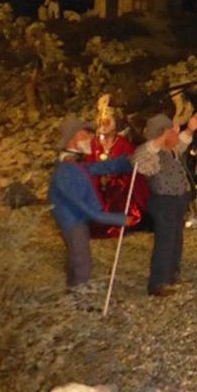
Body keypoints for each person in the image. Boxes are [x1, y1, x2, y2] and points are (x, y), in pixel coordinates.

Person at [48, 116, 138, 290]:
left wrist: (125, 161)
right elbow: (84, 207)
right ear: (73, 137)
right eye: (85, 134)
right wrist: (118, 219)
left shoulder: (73, 164)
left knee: (76, 255)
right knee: (82, 260)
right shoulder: (67, 169)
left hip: (73, 218)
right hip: (72, 220)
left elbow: (97, 168)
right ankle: (79, 295)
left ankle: (75, 288)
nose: (91, 138)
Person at [136, 111, 197, 297]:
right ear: (162, 134)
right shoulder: (153, 157)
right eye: (172, 132)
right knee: (165, 242)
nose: (176, 134)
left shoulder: (172, 150)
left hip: (177, 201)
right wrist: (159, 139)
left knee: (175, 240)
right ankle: (158, 282)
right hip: (164, 203)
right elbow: (139, 159)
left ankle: (172, 275)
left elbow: (181, 141)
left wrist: (190, 129)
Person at [84, 94, 149, 238]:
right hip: (98, 187)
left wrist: (115, 178)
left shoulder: (123, 144)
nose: (103, 125)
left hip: (118, 188)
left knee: (117, 195)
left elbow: (132, 169)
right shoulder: (93, 144)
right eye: (101, 121)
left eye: (107, 122)